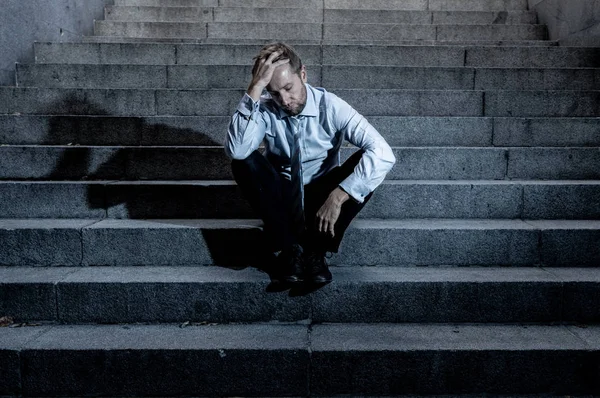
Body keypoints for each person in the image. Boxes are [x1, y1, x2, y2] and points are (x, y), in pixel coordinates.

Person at [225, 42, 395, 286]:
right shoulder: (264, 107)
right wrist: (255, 87)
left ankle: (316, 252)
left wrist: (339, 195)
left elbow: (383, 152)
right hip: (280, 198)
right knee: (244, 161)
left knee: (366, 163)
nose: (284, 100)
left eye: (288, 87)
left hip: (321, 196)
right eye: (274, 92)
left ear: (303, 74)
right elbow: (236, 150)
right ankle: (289, 249)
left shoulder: (331, 106)